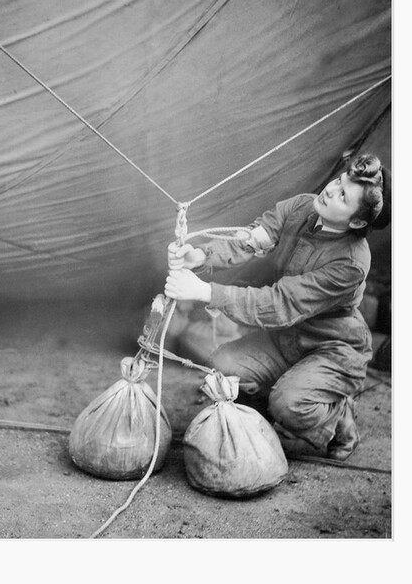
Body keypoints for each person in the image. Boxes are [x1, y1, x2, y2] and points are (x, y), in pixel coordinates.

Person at [164, 154, 391, 461]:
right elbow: (251, 239)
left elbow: (281, 303)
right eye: (339, 180)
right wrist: (201, 257)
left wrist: (206, 291)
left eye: (343, 195)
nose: (330, 189)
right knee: (225, 366)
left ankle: (338, 415)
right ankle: (264, 424)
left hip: (332, 347)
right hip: (286, 337)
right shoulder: (301, 207)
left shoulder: (351, 263)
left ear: (358, 221)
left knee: (289, 405)